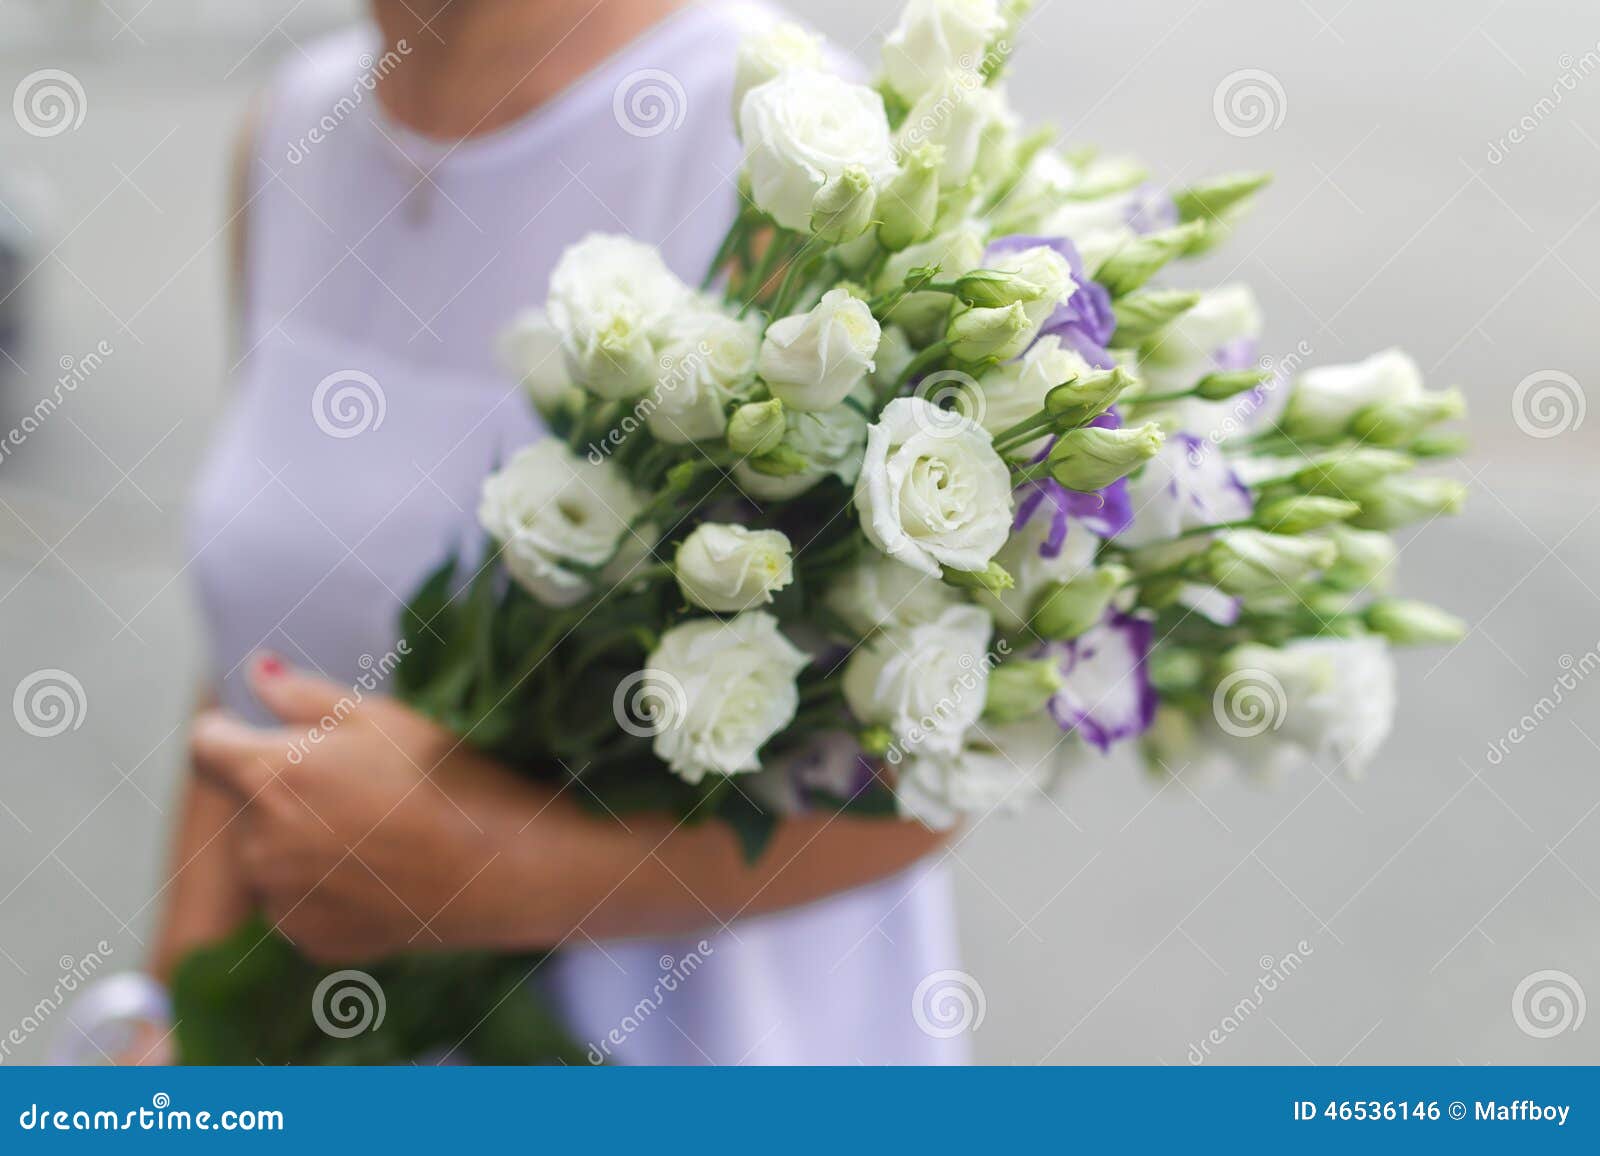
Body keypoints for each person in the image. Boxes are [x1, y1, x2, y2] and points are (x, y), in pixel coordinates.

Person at [145, 0, 967, 1064]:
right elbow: (253, 646)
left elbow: (924, 772)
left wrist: (502, 871)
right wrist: (173, 1010)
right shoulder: (292, 128)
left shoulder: (788, 144)